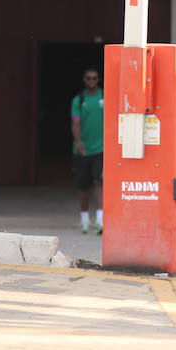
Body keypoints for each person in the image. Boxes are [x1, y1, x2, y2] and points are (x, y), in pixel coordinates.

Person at [71, 68, 105, 235]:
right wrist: (79, 142)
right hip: (83, 150)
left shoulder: (104, 97)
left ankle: (100, 219)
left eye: (94, 78)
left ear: (98, 80)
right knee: (83, 186)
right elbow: (75, 122)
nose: (91, 80)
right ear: (84, 80)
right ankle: (84, 219)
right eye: (88, 78)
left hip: (100, 148)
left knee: (99, 182)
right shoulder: (79, 99)